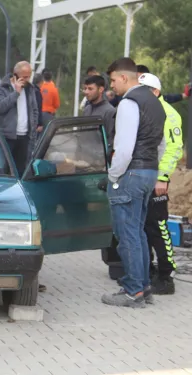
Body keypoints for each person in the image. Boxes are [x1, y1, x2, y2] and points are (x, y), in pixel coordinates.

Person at [102, 58, 165, 308]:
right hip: (148, 172)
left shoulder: (129, 103)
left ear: (125, 78)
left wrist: (113, 175)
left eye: (113, 80)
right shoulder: (155, 103)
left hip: (130, 173)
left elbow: (124, 148)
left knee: (126, 234)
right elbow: (161, 145)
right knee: (137, 232)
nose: (112, 85)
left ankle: (133, 291)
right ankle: (142, 285)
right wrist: (151, 168)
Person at [136, 73, 183, 295]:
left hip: (157, 180)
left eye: (145, 91)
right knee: (144, 227)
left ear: (155, 92)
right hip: (143, 177)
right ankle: (149, 270)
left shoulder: (169, 114)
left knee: (159, 227)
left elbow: (174, 150)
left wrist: (162, 178)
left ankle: (166, 275)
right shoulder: (146, 111)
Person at [0, 61, 39, 174]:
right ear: (15, 75)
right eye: (24, 77)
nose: (27, 80)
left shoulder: (30, 89)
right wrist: (16, 93)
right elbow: (0, 107)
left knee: (21, 170)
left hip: (25, 137)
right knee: (6, 170)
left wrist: (33, 127)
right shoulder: (1, 88)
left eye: (29, 76)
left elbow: (34, 110)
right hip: (7, 136)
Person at [82, 75, 117, 145]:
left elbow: (110, 140)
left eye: (90, 89)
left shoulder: (110, 111)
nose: (86, 92)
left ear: (101, 89)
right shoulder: (87, 109)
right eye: (85, 88)